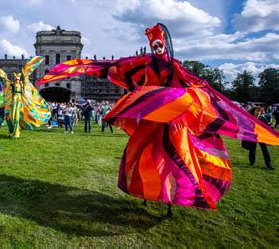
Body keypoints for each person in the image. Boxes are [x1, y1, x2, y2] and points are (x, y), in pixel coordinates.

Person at [38, 23, 279, 213]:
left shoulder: (175, 66)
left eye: (159, 44)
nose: (157, 48)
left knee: (178, 158)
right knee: (144, 155)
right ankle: (147, 189)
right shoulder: (145, 62)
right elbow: (119, 65)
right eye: (154, 44)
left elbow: (193, 83)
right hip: (153, 120)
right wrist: (86, 66)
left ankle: (180, 192)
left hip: (172, 119)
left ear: (164, 45)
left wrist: (198, 91)